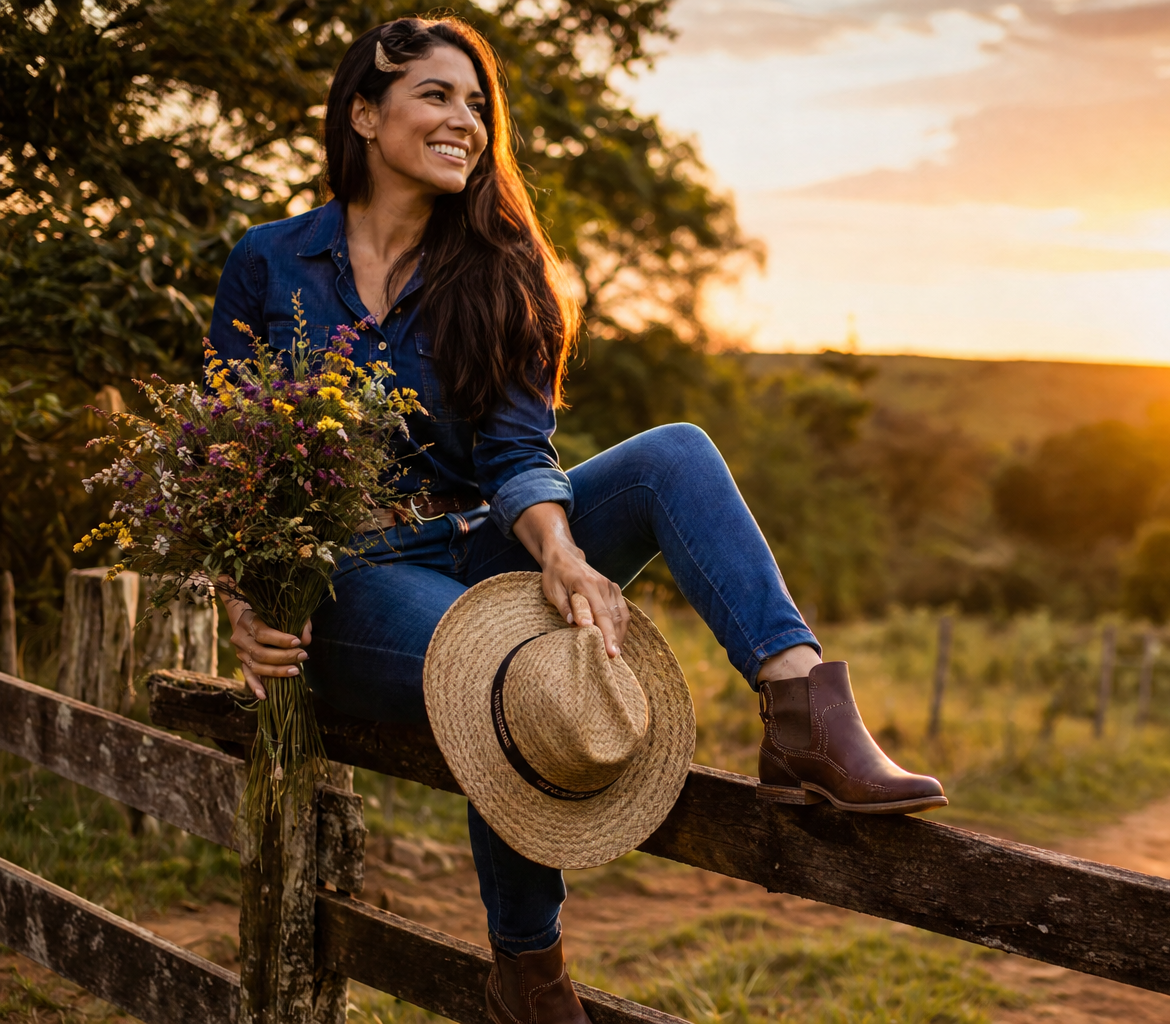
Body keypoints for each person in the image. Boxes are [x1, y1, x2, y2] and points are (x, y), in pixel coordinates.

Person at [207, 16, 944, 1024]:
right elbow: (236, 456)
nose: (465, 119)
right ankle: (532, 970)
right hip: (356, 580)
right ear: (366, 115)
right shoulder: (269, 261)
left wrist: (563, 554)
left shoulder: (502, 271)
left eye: (477, 103)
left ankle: (800, 710)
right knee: (519, 677)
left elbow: (516, 455)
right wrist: (243, 598)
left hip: (482, 544)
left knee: (674, 452)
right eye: (437, 96)